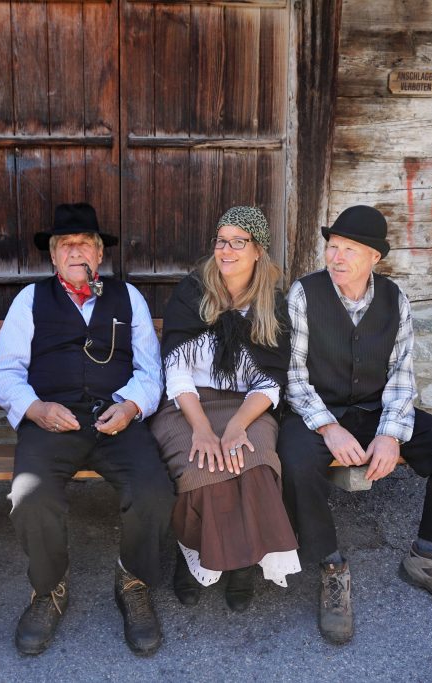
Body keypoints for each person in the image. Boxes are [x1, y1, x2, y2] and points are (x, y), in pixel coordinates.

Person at [278, 204, 432, 645]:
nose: (336, 258)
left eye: (349, 250)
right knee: (295, 461)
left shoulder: (395, 299)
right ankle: (332, 566)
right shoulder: (303, 293)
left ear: (375, 257)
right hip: (318, 409)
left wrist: (391, 433)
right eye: (332, 247)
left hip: (375, 409)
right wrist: (328, 427)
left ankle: (427, 557)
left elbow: (402, 375)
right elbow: (293, 376)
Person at [0, 202, 174, 656]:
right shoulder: (30, 300)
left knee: (154, 490)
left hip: (116, 419)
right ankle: (48, 588)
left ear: (99, 254)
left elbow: (151, 371)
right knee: (30, 497)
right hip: (52, 421)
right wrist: (35, 409)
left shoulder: (128, 298)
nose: (76, 252)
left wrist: (130, 406)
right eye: (66, 246)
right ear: (53, 257)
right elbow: (4, 371)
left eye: (85, 244)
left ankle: (133, 581)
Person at [151, 206, 300, 612]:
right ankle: (194, 558)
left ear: (258, 251)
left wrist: (237, 425)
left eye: (239, 242)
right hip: (187, 404)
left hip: (247, 406)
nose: (227, 250)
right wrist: (200, 428)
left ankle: (242, 566)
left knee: (253, 464)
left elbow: (271, 381)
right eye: (222, 241)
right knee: (204, 469)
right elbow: (176, 371)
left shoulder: (273, 304)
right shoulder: (193, 292)